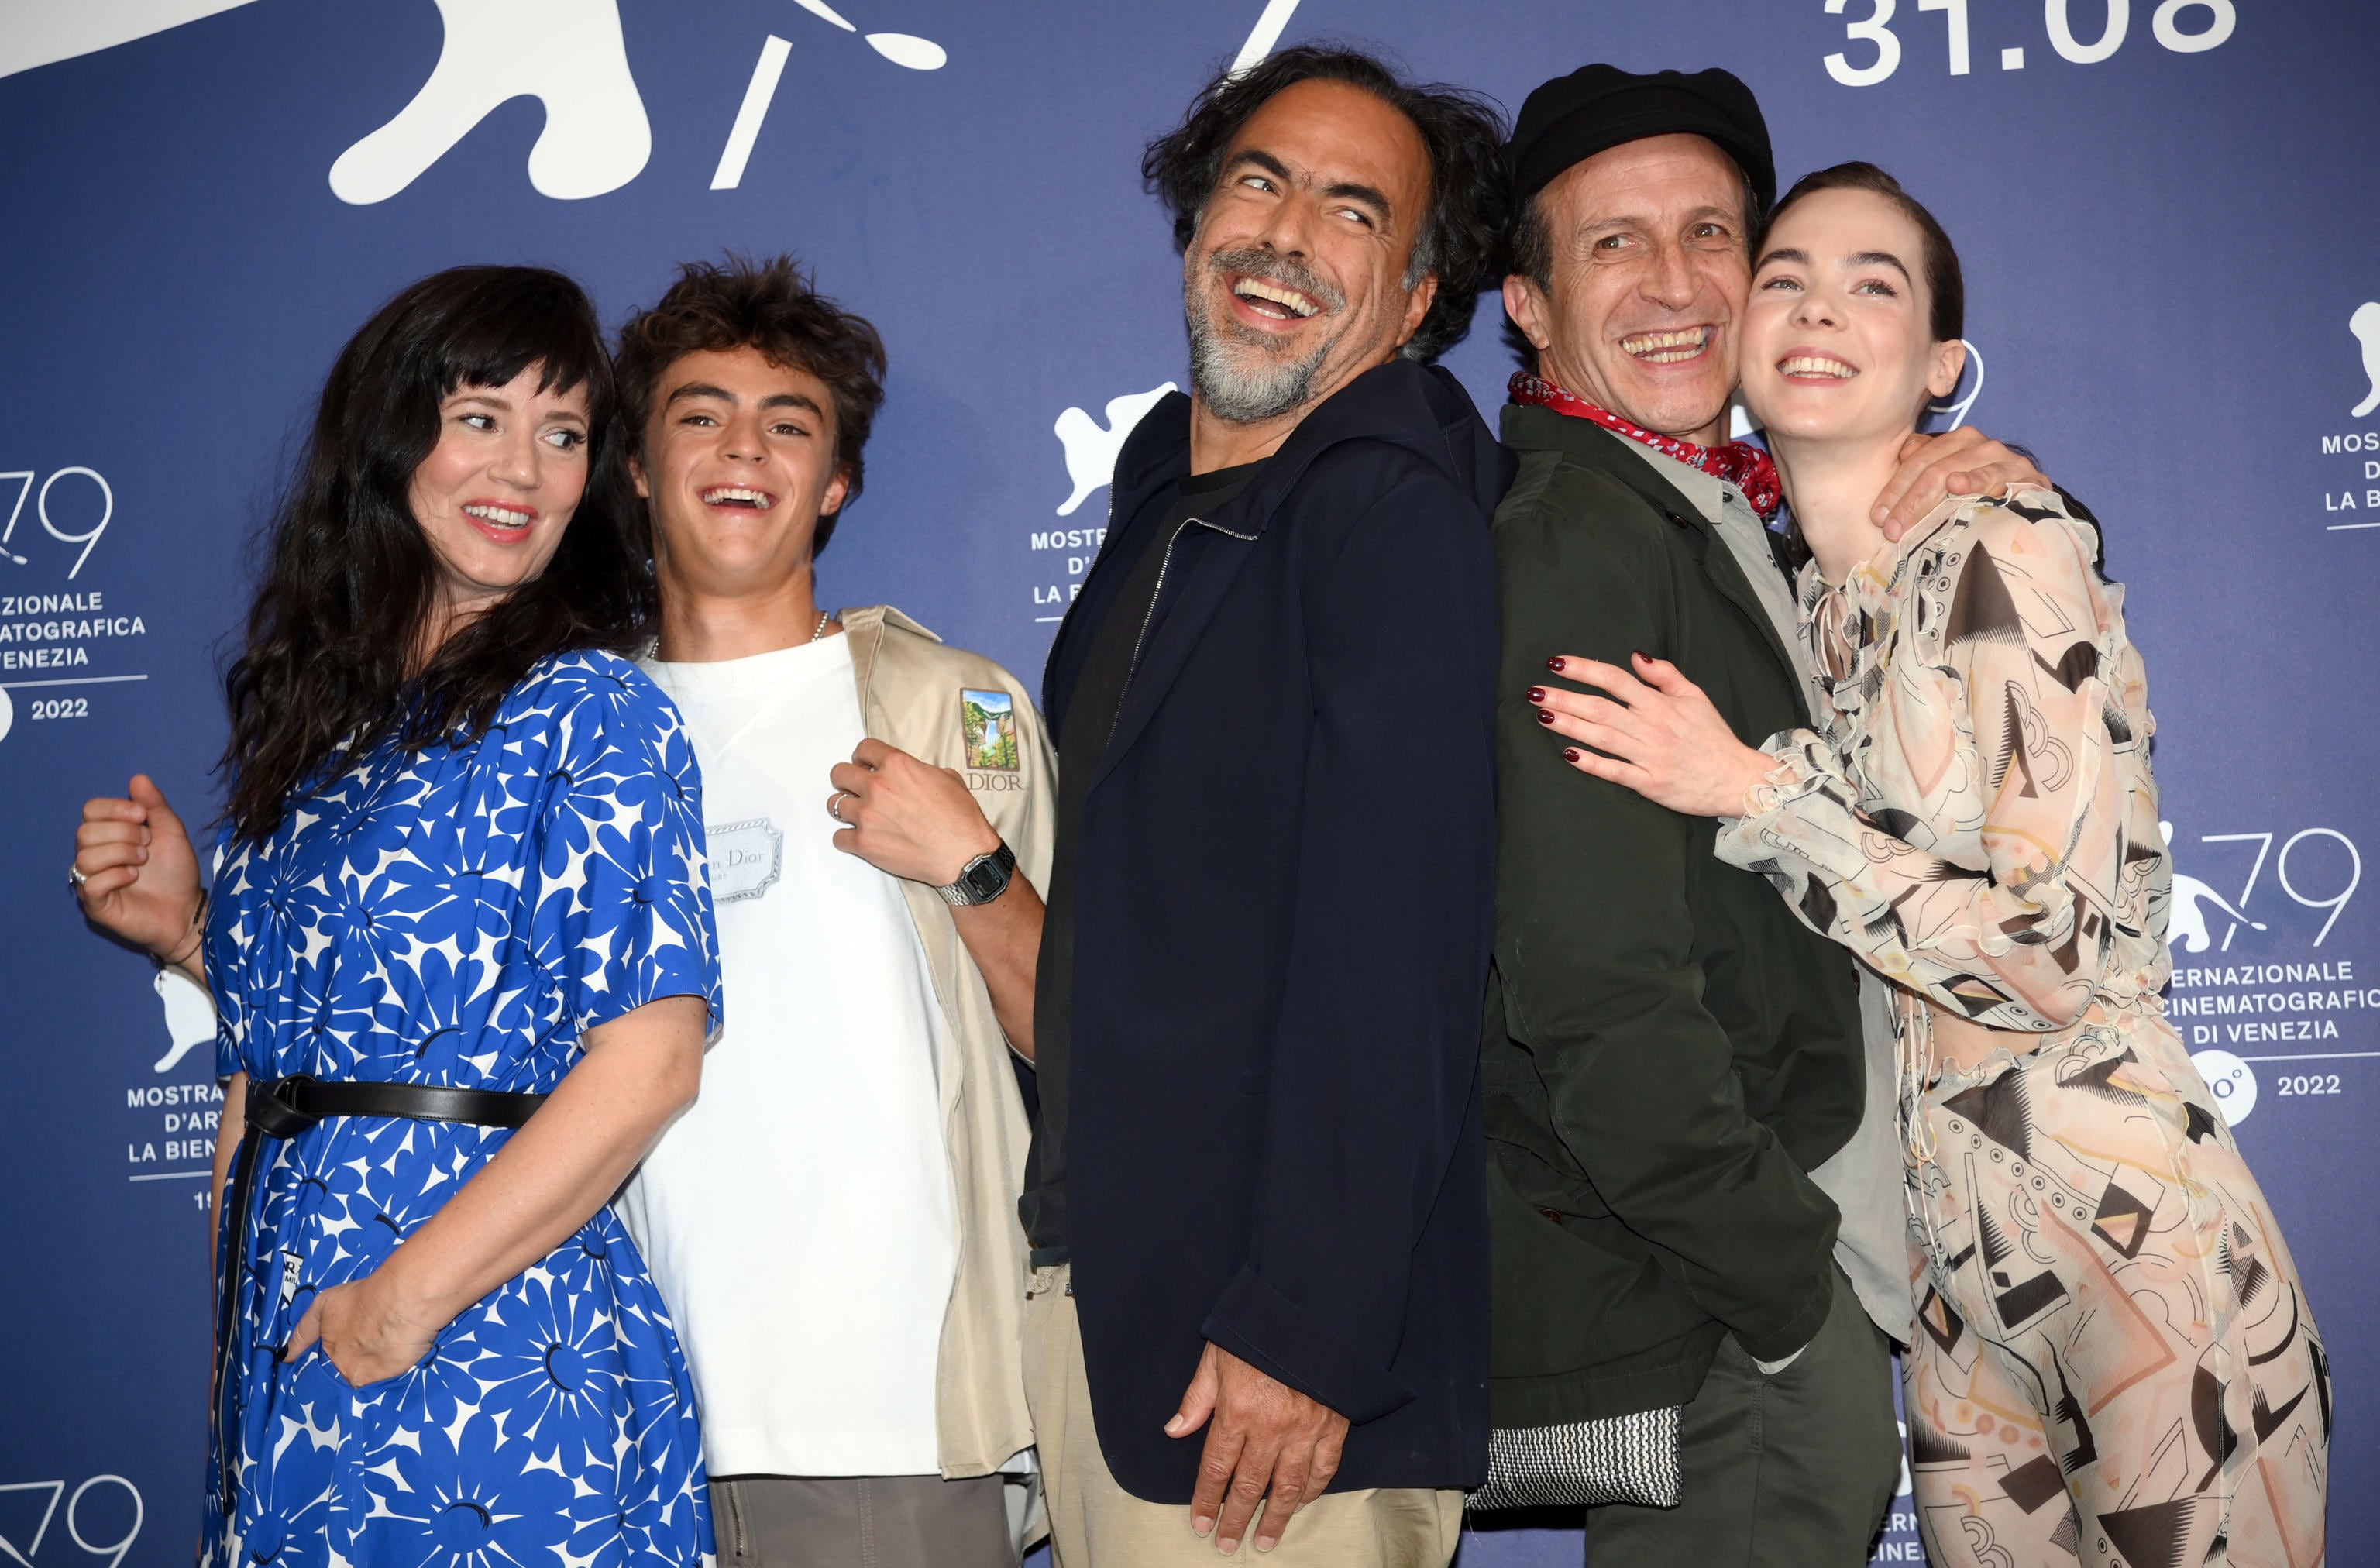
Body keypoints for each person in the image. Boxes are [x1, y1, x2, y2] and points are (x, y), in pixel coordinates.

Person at [1534, 163, 2331, 1566]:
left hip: (2128, 1242)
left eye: (1872, 284)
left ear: (1943, 363)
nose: (1817, 309)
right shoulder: (1782, 604)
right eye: (1783, 277)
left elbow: (2064, 955)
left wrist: (1755, 793)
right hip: (1946, 1294)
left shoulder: (2003, 549)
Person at [1481, 65, 2058, 1564]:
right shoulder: (1578, 537)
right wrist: (1786, 1293)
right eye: (1613, 243)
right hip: (1733, 1315)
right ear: (1527, 305)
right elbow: (1593, 988)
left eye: (1712, 236)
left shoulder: (1731, 513)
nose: (1675, 285)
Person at [68, 266, 722, 1566]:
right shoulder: (319, 732)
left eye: (564, 434)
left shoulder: (591, 707)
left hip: (490, 1353)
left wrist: (401, 1305)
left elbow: (648, 1066)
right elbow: (274, 1076)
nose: (524, 471)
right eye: (480, 416)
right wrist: (195, 935)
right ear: (389, 439)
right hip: (296, 1348)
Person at [1022, 46, 1507, 1567]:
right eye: (1259, 179)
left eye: (1354, 211)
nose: (1288, 234)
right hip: (1113, 1316)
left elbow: (1397, 949)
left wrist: (1306, 1320)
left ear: (1421, 298)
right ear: (1193, 230)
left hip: (1270, 1374)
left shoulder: (1388, 510)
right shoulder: (1162, 514)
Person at [604, 254, 1053, 1568]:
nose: (743, 448)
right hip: (611, 1435)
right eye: (700, 414)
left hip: (890, 1439)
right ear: (636, 465)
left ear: (836, 483)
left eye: (788, 424)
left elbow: (1085, 1041)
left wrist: (972, 866)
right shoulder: (566, 740)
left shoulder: (951, 711)